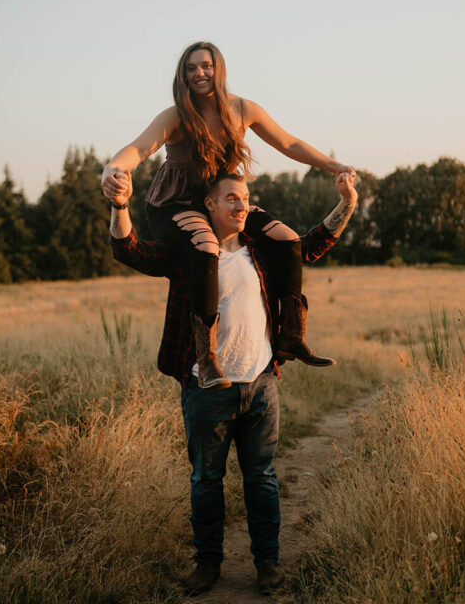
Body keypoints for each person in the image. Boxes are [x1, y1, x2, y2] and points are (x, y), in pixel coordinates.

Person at [109, 169, 358, 595]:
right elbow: (131, 251)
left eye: (244, 199)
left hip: (260, 385)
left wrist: (347, 203)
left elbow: (311, 243)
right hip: (207, 392)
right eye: (231, 199)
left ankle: (268, 565)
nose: (241, 206)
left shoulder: (260, 250)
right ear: (210, 205)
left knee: (261, 479)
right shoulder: (188, 254)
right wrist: (119, 206)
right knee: (207, 480)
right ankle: (207, 566)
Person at [101, 41, 355, 389]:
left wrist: (334, 165)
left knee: (288, 239)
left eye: (206, 66)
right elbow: (139, 148)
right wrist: (113, 169)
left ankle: (291, 335)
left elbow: (289, 143)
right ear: (183, 75)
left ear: (218, 69)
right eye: (191, 68)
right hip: (175, 204)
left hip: (220, 200)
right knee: (206, 247)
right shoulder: (176, 115)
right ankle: (207, 360)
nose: (199, 73)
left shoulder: (243, 109)